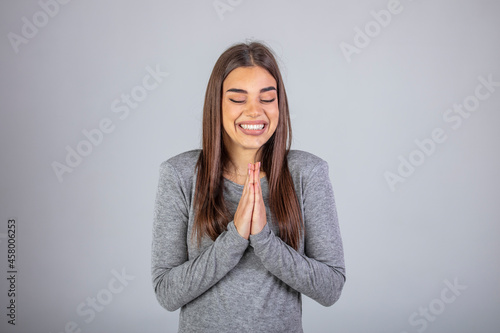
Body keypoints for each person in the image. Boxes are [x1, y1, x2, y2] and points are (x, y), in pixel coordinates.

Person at [151, 41, 345, 333]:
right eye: (238, 99)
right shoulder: (179, 175)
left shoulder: (308, 173)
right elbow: (166, 293)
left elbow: (331, 288)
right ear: (217, 104)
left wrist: (264, 239)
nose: (255, 111)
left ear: (279, 105)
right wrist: (235, 237)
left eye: (267, 98)